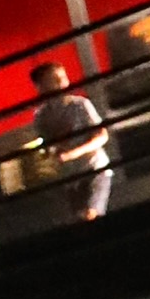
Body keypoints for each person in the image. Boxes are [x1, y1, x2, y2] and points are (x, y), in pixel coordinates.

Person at [26, 55, 114, 222]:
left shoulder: (80, 105)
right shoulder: (41, 116)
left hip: (95, 169)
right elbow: (46, 146)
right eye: (56, 79)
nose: (63, 82)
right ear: (41, 86)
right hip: (71, 177)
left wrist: (73, 153)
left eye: (63, 77)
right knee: (80, 220)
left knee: (90, 214)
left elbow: (102, 135)